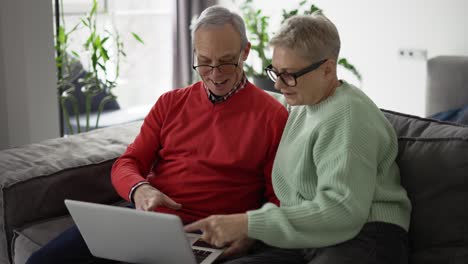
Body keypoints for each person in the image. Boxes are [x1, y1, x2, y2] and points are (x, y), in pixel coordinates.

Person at [26, 6, 289, 264]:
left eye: (226, 62)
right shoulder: (170, 103)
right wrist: (140, 189)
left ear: (245, 52)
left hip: (211, 232)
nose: (215, 74)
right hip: (147, 221)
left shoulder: (273, 116)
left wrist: (252, 232)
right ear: (195, 53)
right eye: (205, 62)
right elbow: (127, 163)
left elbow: (278, 198)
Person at [185, 12, 412, 264]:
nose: (280, 86)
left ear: (328, 69)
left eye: (289, 75)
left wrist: (249, 223)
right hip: (309, 237)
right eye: (275, 72)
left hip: (366, 237)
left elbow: (341, 210)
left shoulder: (349, 114)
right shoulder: (302, 103)